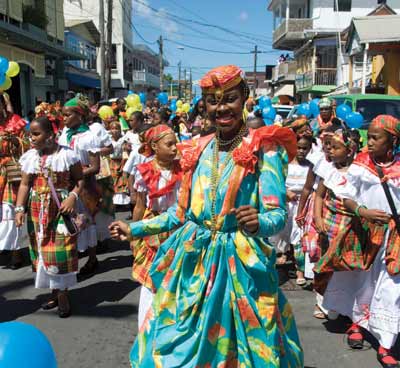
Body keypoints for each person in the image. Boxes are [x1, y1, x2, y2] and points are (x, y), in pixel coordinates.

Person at [110, 65, 303, 367]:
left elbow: (277, 214)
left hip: (239, 265)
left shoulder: (265, 147)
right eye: (213, 101)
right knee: (174, 343)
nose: (221, 107)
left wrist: (259, 222)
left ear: (245, 99)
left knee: (243, 349)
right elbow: (180, 213)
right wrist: (134, 228)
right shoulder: (197, 148)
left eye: (229, 99)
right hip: (193, 262)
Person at [321, 115, 400, 368]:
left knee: (391, 287)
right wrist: (362, 212)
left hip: (393, 237)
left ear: (393, 141)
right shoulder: (361, 164)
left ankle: (386, 344)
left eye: (377, 138)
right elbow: (347, 198)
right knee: (360, 282)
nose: (370, 142)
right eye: (370, 137)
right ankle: (356, 324)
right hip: (364, 233)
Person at [15, 116, 84, 318]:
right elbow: (25, 184)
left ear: (51, 136)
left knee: (61, 252)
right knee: (43, 253)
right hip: (38, 211)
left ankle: (63, 294)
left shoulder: (67, 155)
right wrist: (19, 210)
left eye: (36, 134)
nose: (31, 138)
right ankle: (55, 291)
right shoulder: (30, 157)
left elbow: (79, 180)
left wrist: (72, 197)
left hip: (62, 210)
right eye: (30, 134)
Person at [130, 124, 181, 327]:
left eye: (175, 143)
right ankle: (149, 325)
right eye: (169, 144)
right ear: (154, 145)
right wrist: (134, 235)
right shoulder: (145, 172)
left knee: (176, 276)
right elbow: (140, 207)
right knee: (152, 278)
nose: (175, 148)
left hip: (179, 228)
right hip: (154, 230)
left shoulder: (184, 168)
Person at [58, 94, 101, 276]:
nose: (64, 118)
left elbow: (95, 167)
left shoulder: (89, 137)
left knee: (87, 221)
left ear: (79, 114)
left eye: (67, 115)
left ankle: (92, 258)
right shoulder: (63, 135)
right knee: (69, 222)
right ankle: (72, 258)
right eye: (63, 115)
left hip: (85, 186)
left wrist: (75, 174)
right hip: (66, 185)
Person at [270, 127, 313, 285]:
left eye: (305, 148)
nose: (301, 151)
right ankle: (277, 265)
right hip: (285, 205)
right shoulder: (285, 164)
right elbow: (276, 181)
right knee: (279, 235)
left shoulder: (311, 166)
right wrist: (286, 192)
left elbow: (312, 187)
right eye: (299, 147)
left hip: (303, 206)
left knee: (299, 238)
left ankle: (299, 270)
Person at [0, 93, 28, 269]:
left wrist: (15, 141)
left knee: (10, 210)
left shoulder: (15, 121)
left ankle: (16, 253)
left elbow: (29, 142)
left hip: (11, 172)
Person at [109, 121, 130, 208]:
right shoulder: (108, 139)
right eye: (112, 129)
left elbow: (126, 151)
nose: (115, 131)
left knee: (122, 181)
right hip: (111, 162)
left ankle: (123, 203)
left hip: (122, 161)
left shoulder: (124, 139)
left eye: (117, 128)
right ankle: (114, 203)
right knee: (113, 181)